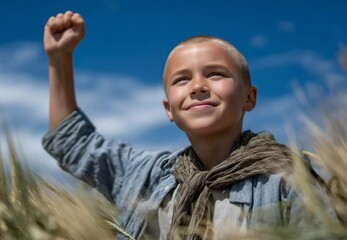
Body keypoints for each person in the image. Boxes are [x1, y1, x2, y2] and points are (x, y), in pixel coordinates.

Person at [41, 11, 328, 240]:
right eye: (182, 80)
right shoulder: (148, 177)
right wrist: (59, 59)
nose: (198, 87)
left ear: (248, 97)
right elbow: (72, 143)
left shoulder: (287, 181)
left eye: (215, 74)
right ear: (169, 109)